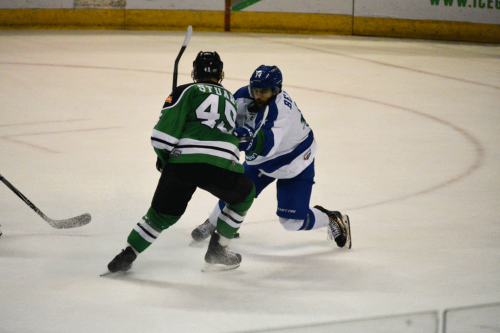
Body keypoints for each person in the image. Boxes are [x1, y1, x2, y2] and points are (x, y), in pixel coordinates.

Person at [103, 51, 256, 273]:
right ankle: (218, 249)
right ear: (221, 74)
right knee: (244, 196)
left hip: (184, 163)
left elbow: (162, 137)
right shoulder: (230, 99)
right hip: (222, 164)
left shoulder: (185, 91)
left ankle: (128, 253)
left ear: (194, 73)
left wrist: (165, 160)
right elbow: (231, 136)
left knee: (160, 216)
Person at [191, 65, 351, 249]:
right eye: (256, 90)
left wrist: (245, 139)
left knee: (291, 223)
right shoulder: (242, 96)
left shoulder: (281, 111)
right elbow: (226, 119)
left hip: (294, 162)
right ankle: (214, 223)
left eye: (264, 92)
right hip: (260, 162)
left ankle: (331, 219)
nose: (258, 96)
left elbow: (267, 145)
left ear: (277, 90)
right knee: (236, 192)